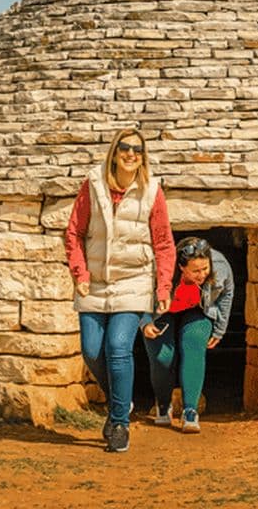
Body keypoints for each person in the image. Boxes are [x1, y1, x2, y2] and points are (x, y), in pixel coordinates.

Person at [64, 128, 175, 452]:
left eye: (137, 150)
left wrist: (163, 286)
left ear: (143, 156)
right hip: (94, 281)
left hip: (134, 279)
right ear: (114, 151)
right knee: (92, 351)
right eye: (125, 148)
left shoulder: (152, 190)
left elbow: (164, 242)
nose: (130, 154)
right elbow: (74, 233)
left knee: (118, 346)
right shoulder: (93, 184)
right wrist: (80, 272)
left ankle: (118, 424)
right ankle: (121, 401)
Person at [142, 236, 234, 433]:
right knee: (163, 357)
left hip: (199, 309)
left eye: (205, 269)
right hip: (162, 311)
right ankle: (164, 404)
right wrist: (144, 322)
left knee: (193, 343)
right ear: (181, 267)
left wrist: (220, 329)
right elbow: (139, 293)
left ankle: (190, 410)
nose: (202, 275)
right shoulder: (160, 268)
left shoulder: (220, 265)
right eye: (196, 271)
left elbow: (227, 293)